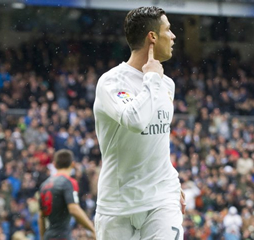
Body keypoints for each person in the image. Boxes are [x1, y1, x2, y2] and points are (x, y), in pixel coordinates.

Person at [93, 6, 185, 240]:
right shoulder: (111, 82)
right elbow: (135, 121)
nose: (173, 36)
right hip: (118, 205)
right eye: (168, 30)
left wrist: (174, 182)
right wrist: (152, 78)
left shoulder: (168, 84)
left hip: (162, 198)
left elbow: (158, 139)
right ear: (152, 37)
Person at [38, 149, 96, 239]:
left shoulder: (44, 185)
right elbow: (74, 209)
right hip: (62, 236)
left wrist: (43, 237)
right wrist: (92, 229)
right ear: (72, 164)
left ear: (54, 164)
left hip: (48, 235)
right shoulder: (68, 182)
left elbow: (41, 217)